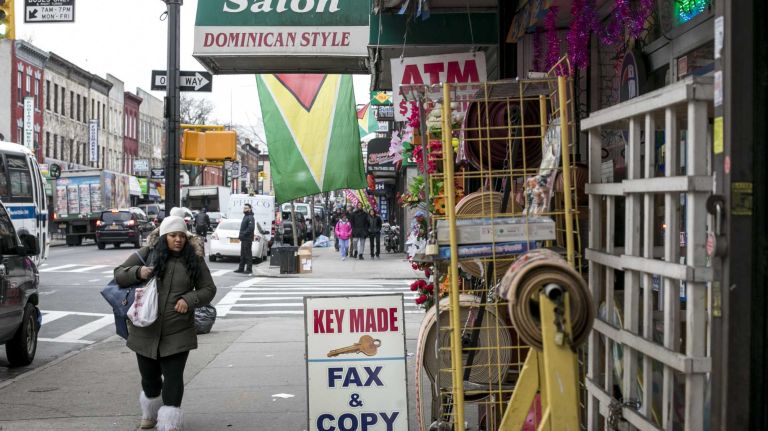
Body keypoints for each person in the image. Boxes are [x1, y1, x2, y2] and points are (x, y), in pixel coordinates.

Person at [114, 215, 216, 431]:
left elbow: (209, 289)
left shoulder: (194, 260)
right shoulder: (147, 254)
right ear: (163, 237)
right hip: (144, 330)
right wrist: (138, 272)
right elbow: (119, 275)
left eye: (182, 236)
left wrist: (189, 300)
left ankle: (169, 422)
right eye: (172, 236)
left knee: (173, 378)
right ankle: (150, 413)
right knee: (149, 379)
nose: (178, 240)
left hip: (178, 330)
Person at [235, 204, 255, 274]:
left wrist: (243, 234)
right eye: (244, 208)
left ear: (250, 209)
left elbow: (251, 228)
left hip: (247, 239)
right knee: (243, 254)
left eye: (246, 208)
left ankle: (249, 269)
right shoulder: (245, 216)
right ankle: (241, 268)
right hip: (244, 238)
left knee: (248, 254)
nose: (244, 209)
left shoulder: (250, 217)